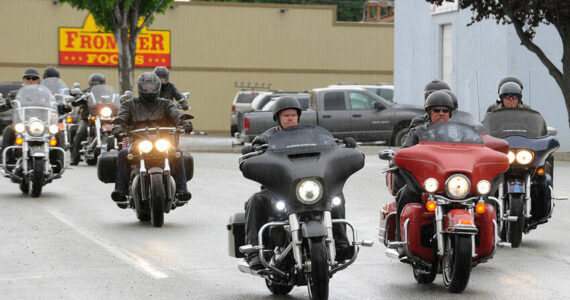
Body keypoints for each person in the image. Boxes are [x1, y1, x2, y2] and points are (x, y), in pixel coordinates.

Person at [242, 96, 354, 269]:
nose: (290, 118)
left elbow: (330, 146)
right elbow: (249, 158)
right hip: (278, 190)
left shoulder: (311, 135)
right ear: (277, 118)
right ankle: (254, 252)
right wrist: (250, 151)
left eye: (293, 115)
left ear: (298, 116)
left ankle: (340, 243)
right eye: (286, 115)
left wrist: (345, 145)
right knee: (256, 200)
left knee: (336, 196)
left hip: (309, 187)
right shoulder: (266, 138)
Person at [110, 72, 193, 207]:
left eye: (152, 86)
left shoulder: (166, 104)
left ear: (158, 87)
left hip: (162, 141)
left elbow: (176, 116)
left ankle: (182, 190)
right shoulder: (129, 104)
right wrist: (118, 128)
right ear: (140, 87)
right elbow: (122, 118)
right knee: (123, 154)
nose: (149, 89)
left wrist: (184, 124)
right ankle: (121, 190)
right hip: (138, 142)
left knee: (178, 153)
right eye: (146, 86)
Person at [394, 91, 454, 246]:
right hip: (425, 182)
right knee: (404, 195)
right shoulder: (417, 133)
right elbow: (404, 152)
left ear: (450, 113)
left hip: (453, 183)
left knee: (482, 199)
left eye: (445, 110)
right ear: (429, 112)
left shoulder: (458, 134)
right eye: (436, 110)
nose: (441, 113)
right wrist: (400, 160)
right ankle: (400, 241)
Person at [1, 67, 67, 172]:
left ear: (38, 80)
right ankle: (8, 161)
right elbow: (7, 103)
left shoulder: (46, 94)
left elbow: (54, 103)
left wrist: (63, 107)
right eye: (28, 78)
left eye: (34, 78)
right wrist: (5, 103)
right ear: (24, 79)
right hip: (22, 123)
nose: (30, 80)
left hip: (42, 124)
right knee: (8, 131)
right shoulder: (16, 93)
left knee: (58, 133)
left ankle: (58, 162)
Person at [70, 73, 106, 165]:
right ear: (90, 84)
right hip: (88, 118)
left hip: (104, 118)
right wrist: (79, 98)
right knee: (80, 132)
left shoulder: (107, 94)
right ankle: (75, 157)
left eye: (98, 84)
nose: (96, 86)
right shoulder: (85, 93)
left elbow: (115, 100)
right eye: (94, 84)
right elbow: (76, 101)